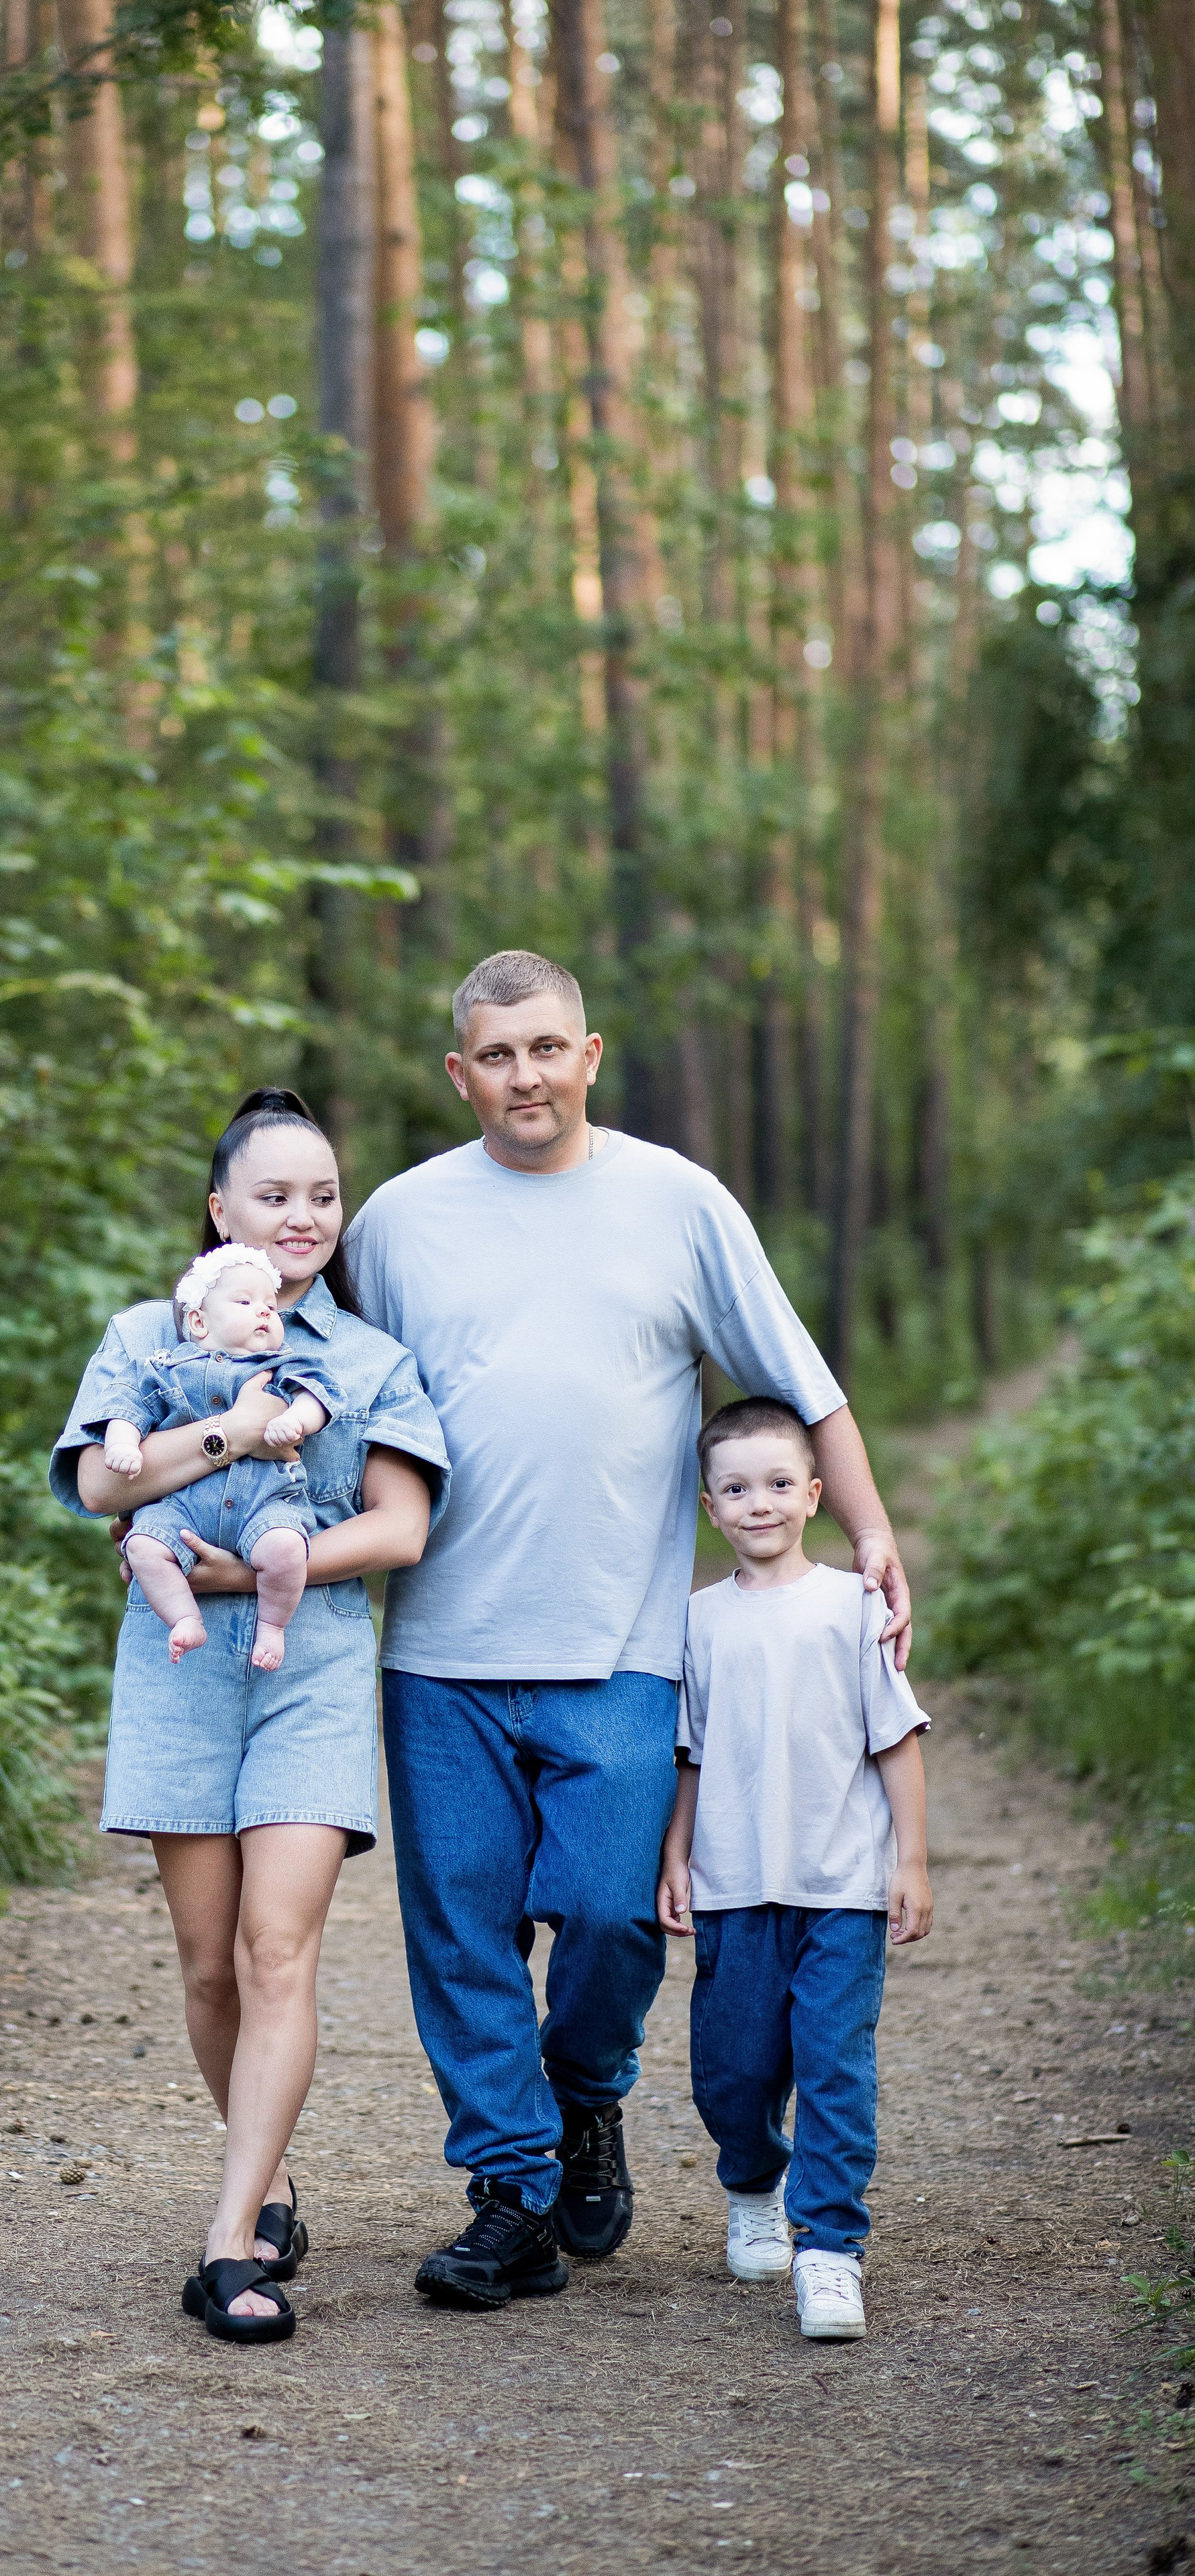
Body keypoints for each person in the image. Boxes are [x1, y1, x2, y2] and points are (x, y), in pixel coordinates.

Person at [346, 950, 912, 2313]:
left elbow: (797, 1377)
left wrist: (873, 1526)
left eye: (546, 1048)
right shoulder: (395, 1222)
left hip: (621, 1647)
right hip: (439, 1652)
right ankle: (511, 2193)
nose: (524, 1076)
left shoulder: (675, 1203)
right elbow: (311, 1391)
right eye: (496, 1054)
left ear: (588, 1054)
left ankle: (585, 2092)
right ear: (459, 1072)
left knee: (608, 1916)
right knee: (461, 1929)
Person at [50, 1087, 449, 2345]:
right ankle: (267, 2178)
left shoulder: (370, 1360)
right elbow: (101, 1480)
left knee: (281, 1951)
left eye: (323, 1195)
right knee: (209, 1962)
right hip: (175, 1674)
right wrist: (228, 1428)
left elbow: (401, 1525)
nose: (303, 1217)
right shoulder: (139, 1340)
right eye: (273, 1196)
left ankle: (228, 2247)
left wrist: (250, 1566)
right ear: (220, 1211)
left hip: (312, 1666)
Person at [656, 1396, 933, 2341]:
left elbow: (896, 1743)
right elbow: (687, 1755)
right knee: (731, 2074)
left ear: (816, 1495)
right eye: (737, 1488)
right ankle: (752, 2180)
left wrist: (913, 1863)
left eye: (779, 1484)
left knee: (833, 2066)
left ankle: (830, 2252)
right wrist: (677, 1855)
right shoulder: (696, 1622)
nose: (759, 1503)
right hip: (735, 1887)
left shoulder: (854, 1606)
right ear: (709, 1506)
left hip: (841, 1888)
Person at [93, 1242, 340, 1669]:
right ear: (199, 1321)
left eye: (270, 1305)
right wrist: (122, 1441)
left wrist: (298, 1419)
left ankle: (272, 1627)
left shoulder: (283, 1364)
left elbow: (320, 1394)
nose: (264, 1312)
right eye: (245, 1302)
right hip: (181, 1508)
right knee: (145, 1547)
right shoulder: (166, 1367)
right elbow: (129, 1404)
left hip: (262, 1502)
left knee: (285, 1548)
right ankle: (185, 1618)